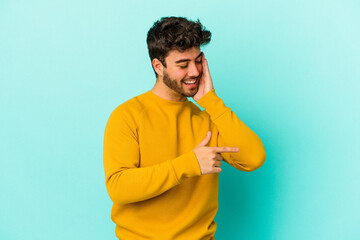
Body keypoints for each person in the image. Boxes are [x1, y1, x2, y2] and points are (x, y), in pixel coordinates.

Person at [103, 16, 266, 240]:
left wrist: (211, 102)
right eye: (183, 64)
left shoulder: (208, 118)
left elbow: (254, 158)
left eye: (198, 61)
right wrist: (189, 164)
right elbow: (119, 188)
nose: (195, 71)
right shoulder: (128, 115)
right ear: (158, 66)